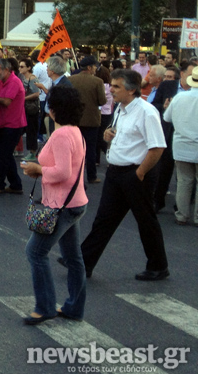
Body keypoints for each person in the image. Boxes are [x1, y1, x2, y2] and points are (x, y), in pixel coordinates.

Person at [69, 69, 169, 281]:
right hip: (115, 172)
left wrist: (139, 173)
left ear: (132, 90)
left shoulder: (147, 112)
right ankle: (84, 262)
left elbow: (158, 147)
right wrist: (108, 136)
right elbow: (118, 135)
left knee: (145, 221)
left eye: (116, 86)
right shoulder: (119, 109)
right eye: (112, 85)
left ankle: (158, 266)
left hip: (135, 173)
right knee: (104, 219)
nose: (111, 90)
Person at [20, 85, 88, 325]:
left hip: (62, 205)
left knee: (35, 252)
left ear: (53, 109)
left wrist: (38, 170)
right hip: (74, 202)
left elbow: (62, 171)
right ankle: (74, 308)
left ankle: (46, 306)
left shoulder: (61, 134)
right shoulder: (75, 131)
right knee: (73, 258)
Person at [152, 60, 196, 212]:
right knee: (164, 169)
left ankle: (183, 204)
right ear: (182, 74)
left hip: (186, 136)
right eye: (191, 75)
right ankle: (158, 200)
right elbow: (155, 105)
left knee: (185, 176)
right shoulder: (167, 86)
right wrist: (164, 107)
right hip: (169, 133)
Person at [162, 66, 198, 226]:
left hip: (181, 145)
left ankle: (182, 215)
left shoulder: (179, 97)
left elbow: (167, 118)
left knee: (184, 181)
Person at [0, 58, 26, 194]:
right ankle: (16, 184)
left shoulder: (15, 82)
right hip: (3, 122)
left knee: (4, 155)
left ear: (7, 70)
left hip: (14, 124)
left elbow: (6, 102)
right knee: (7, 155)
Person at [69, 56, 107, 184]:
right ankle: (91, 176)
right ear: (90, 67)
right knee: (90, 149)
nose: (96, 69)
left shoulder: (70, 79)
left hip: (74, 119)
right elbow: (102, 101)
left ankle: (72, 175)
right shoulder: (97, 81)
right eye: (95, 67)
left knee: (73, 149)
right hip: (91, 120)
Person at [19, 58, 41, 162]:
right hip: (24, 107)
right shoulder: (23, 77)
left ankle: (32, 152)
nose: (20, 68)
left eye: (22, 66)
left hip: (31, 108)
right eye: (19, 66)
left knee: (31, 130)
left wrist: (24, 98)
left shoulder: (32, 78)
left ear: (29, 67)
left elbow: (36, 93)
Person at [95, 66, 113, 164]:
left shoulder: (100, 86)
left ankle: (97, 159)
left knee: (98, 138)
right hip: (107, 113)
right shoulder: (111, 87)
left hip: (100, 113)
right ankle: (106, 157)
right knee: (103, 138)